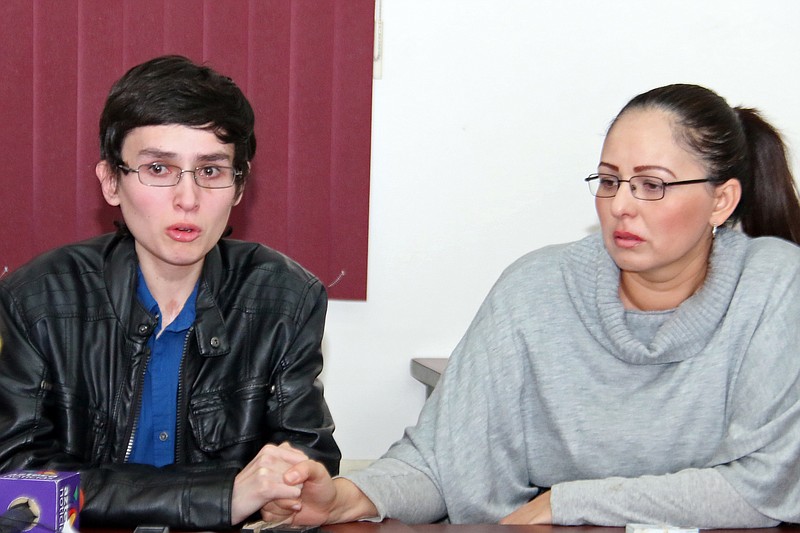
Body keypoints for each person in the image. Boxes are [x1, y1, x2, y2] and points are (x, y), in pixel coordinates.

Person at [259, 84, 800, 528]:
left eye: (652, 185)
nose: (621, 205)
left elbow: (763, 489)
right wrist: (348, 496)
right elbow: (442, 462)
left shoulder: (775, 287)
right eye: (609, 181)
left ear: (722, 200)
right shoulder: (536, 288)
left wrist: (568, 503)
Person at [0, 55, 340, 529]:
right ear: (110, 182)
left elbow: (307, 459)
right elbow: (19, 484)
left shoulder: (285, 298)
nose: (188, 198)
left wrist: (290, 485)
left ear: (239, 187)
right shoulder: (37, 298)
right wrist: (224, 495)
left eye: (211, 170)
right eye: (158, 168)